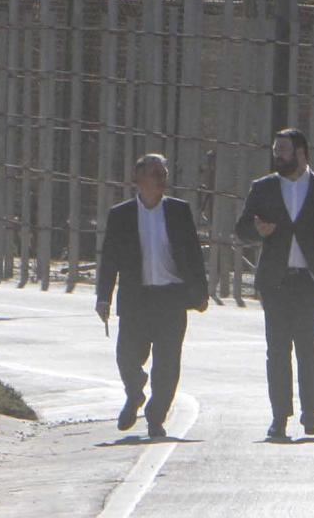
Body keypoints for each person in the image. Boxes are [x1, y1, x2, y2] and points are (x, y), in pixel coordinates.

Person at [235, 128, 314, 441]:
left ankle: (310, 410)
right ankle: (279, 417)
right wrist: (258, 229)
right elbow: (242, 228)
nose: (277, 155)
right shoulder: (264, 187)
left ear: (301, 153)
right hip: (275, 280)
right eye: (275, 149)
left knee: (307, 345)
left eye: (283, 150)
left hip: (309, 280)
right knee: (277, 349)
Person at [95, 154, 210, 439]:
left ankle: (156, 417)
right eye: (155, 173)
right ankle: (135, 393)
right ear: (139, 178)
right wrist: (103, 297)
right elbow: (109, 258)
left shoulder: (178, 211)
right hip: (137, 298)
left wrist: (201, 293)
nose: (161, 178)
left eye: (164, 173)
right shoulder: (120, 215)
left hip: (172, 298)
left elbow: (194, 255)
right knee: (126, 357)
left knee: (167, 363)